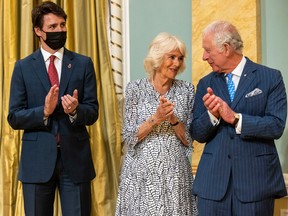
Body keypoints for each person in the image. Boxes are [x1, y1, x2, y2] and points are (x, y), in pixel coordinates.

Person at [7, 2, 98, 216]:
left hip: (75, 161)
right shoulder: (23, 67)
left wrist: (75, 111)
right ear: (38, 31)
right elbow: (14, 116)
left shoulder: (83, 64)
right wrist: (44, 112)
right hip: (36, 163)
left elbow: (93, 111)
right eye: (53, 27)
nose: (60, 31)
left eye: (62, 25)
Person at [190, 20, 287, 216]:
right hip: (213, 185)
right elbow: (197, 133)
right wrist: (212, 115)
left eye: (208, 50)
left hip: (255, 183)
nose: (204, 56)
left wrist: (235, 118)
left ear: (226, 48)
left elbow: (276, 126)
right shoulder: (206, 83)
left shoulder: (270, 78)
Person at [115, 32, 198, 216]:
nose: (176, 63)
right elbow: (129, 137)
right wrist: (156, 118)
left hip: (175, 175)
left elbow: (189, 140)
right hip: (140, 174)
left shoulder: (186, 90)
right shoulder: (135, 88)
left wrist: (173, 120)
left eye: (180, 58)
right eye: (172, 57)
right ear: (158, 57)